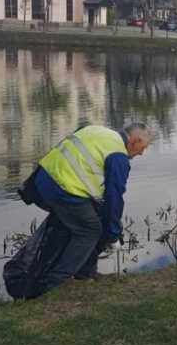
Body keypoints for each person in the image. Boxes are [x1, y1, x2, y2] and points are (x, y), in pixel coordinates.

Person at [33, 122, 152, 289]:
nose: (142, 152)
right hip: (62, 187)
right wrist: (113, 235)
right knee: (91, 230)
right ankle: (58, 280)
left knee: (91, 224)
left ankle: (86, 274)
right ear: (136, 141)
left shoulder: (99, 131)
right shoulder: (118, 157)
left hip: (44, 177)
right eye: (143, 147)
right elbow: (114, 199)